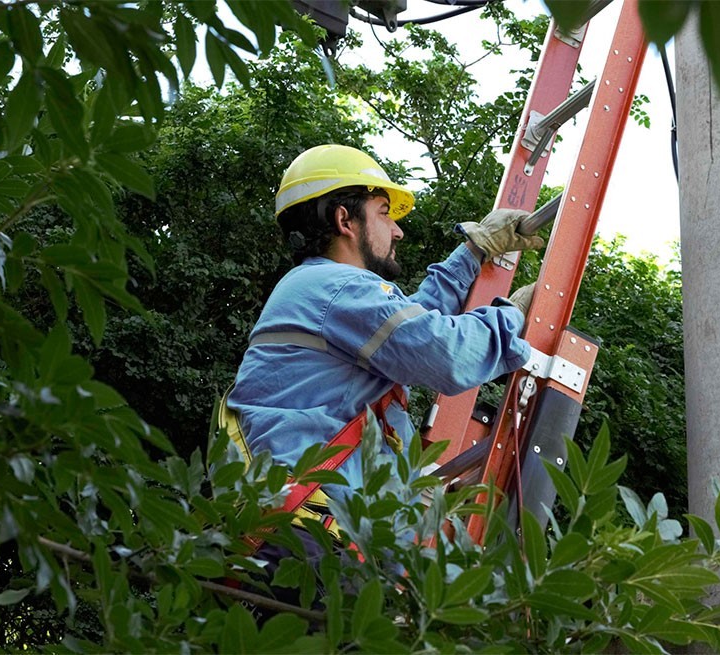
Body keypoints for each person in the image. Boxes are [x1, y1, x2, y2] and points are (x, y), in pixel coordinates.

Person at [226, 144, 543, 571]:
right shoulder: (339, 288)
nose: (397, 231)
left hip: (293, 532)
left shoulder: (318, 290)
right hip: (314, 545)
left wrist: (472, 253)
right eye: (383, 213)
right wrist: (512, 318)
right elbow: (446, 353)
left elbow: (410, 324)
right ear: (345, 220)